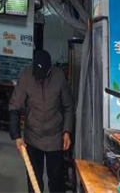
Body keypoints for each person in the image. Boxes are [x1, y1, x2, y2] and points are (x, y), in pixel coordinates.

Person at [9, 50, 74, 193]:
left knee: (56, 180)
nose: (41, 78)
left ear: (50, 69)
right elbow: (14, 106)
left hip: (55, 137)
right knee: (34, 181)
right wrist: (16, 136)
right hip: (33, 137)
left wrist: (67, 131)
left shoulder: (59, 77)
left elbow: (68, 106)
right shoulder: (26, 75)